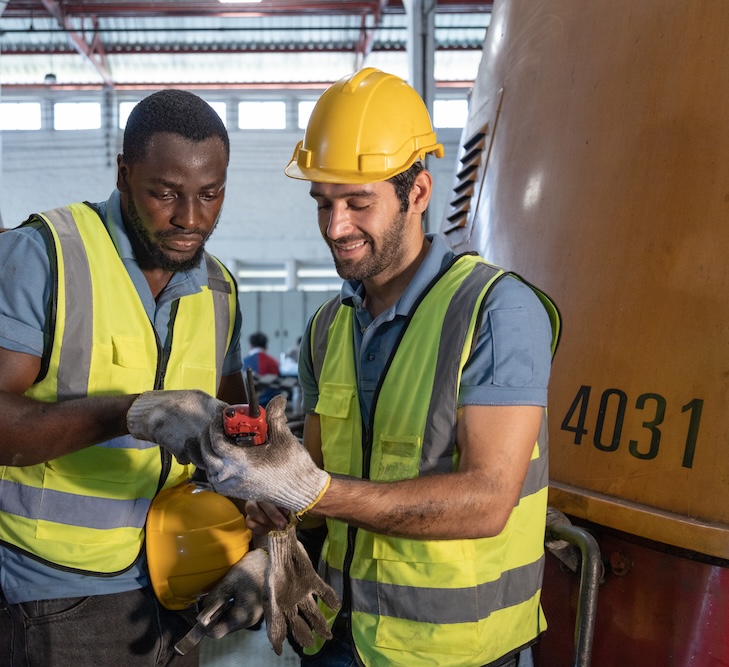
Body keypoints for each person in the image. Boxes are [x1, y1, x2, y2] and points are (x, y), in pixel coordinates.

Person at [173, 68, 562, 666]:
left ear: (419, 192)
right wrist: (275, 533)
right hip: (332, 634)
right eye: (323, 204)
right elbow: (314, 489)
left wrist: (316, 492)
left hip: (453, 651)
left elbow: (488, 500)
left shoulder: (496, 311)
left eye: (359, 203)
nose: (336, 227)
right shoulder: (328, 328)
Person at [0, 89, 255, 667]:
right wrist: (129, 413)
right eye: (164, 193)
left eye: (210, 194)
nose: (190, 218)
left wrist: (266, 536)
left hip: (187, 580)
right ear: (124, 174)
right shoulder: (42, 256)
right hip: (66, 595)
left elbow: (236, 442)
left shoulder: (218, 288)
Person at [243, 331, 282, 406]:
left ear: (250, 346)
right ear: (266, 346)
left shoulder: (244, 362)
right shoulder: (273, 362)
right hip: (269, 403)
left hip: (248, 404)